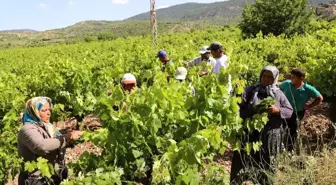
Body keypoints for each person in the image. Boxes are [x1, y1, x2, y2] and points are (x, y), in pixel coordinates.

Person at [230, 66, 293, 185]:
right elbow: (238, 103)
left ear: (275, 78)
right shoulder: (251, 90)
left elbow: (289, 111)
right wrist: (238, 93)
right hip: (249, 134)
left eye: (270, 77)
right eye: (264, 76)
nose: (266, 79)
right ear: (260, 76)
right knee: (242, 160)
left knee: (267, 163)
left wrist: (277, 110)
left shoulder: (278, 94)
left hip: (269, 136)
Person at [18, 97, 82, 185]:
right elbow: (41, 146)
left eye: (49, 109)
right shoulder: (27, 129)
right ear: (34, 112)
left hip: (51, 176)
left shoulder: (47, 126)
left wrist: (67, 135)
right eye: (44, 110)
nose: (48, 113)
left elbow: (54, 140)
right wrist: (67, 137)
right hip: (36, 180)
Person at [279, 68, 323, 151]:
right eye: (291, 77)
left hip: (297, 112)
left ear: (301, 78)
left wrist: (310, 106)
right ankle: (279, 146)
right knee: (281, 128)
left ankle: (289, 149)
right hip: (284, 110)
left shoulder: (308, 89)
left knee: (293, 130)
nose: (291, 79)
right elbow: (278, 91)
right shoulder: (286, 84)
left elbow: (320, 98)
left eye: (294, 77)